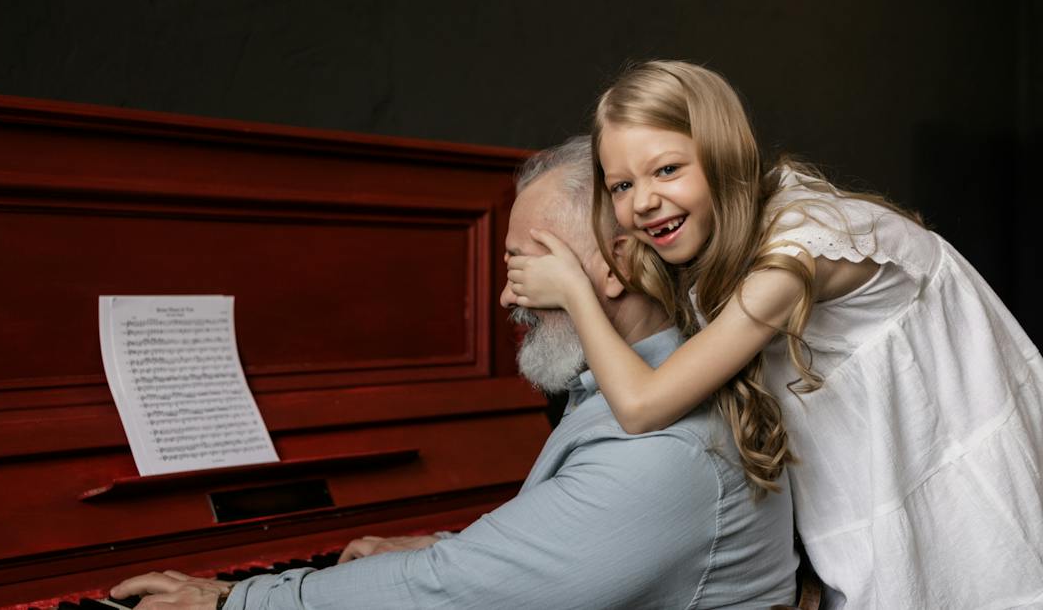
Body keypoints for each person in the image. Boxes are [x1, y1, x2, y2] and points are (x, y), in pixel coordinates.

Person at [110, 136, 799, 609]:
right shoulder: (637, 388)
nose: (506, 298)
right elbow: (567, 553)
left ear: (614, 266)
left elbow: (454, 592)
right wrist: (454, 544)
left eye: (522, 266)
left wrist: (237, 595)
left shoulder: (665, 451)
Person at [506, 61, 1043, 608]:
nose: (642, 201)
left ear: (721, 156)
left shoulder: (793, 256)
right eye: (622, 184)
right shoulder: (716, 247)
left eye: (667, 169)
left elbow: (643, 406)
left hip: (951, 451)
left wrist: (575, 290)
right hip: (867, 462)